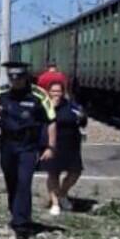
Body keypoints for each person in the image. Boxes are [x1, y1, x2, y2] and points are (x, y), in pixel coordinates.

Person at [0, 61, 56, 239]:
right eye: (12, 77)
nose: (15, 81)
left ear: (26, 77)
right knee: (12, 182)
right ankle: (16, 214)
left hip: (28, 146)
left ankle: (22, 225)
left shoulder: (38, 95)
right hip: (7, 144)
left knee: (24, 183)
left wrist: (50, 146)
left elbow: (51, 120)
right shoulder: (2, 94)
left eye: (19, 77)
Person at [41, 76, 87, 215]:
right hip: (52, 143)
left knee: (75, 172)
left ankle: (62, 193)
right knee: (53, 173)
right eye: (53, 91)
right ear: (48, 92)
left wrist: (82, 116)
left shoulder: (70, 105)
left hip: (71, 143)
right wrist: (53, 108)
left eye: (59, 91)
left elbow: (81, 119)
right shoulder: (45, 106)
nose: (56, 94)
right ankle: (55, 203)